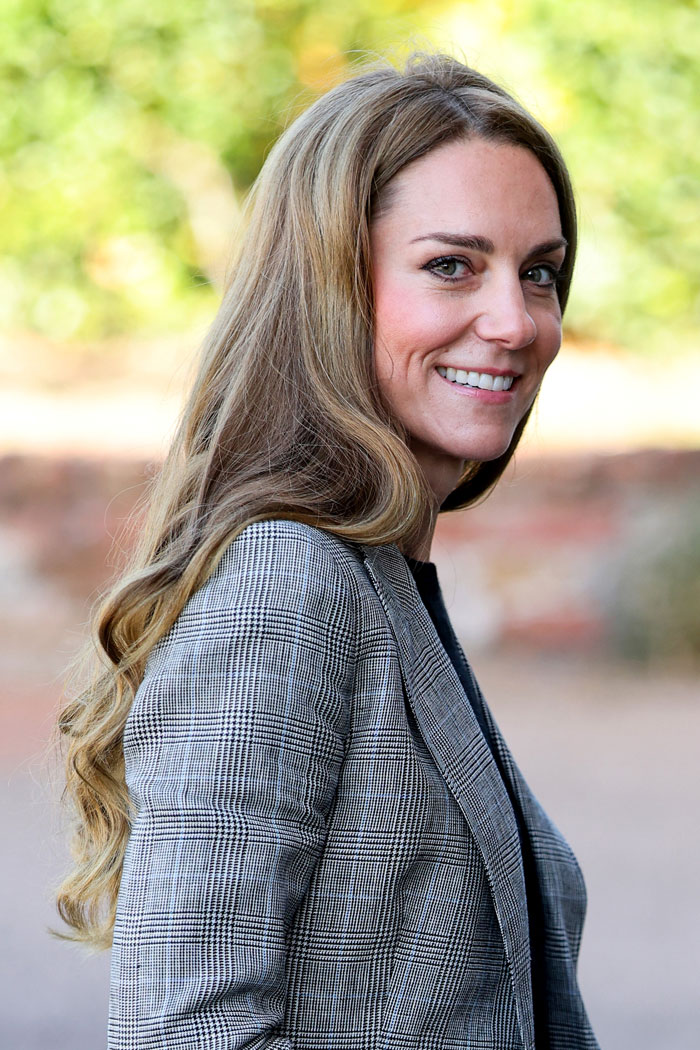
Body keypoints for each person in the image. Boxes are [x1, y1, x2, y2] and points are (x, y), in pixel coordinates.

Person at [57, 52, 600, 1050]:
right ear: (328, 289)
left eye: (538, 273)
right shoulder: (286, 581)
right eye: (451, 266)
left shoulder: (380, 575)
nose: (515, 322)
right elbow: (185, 1031)